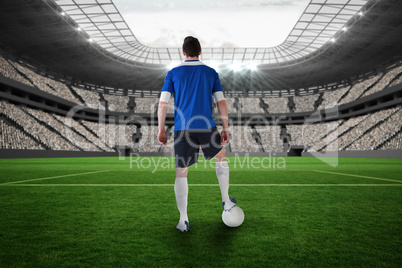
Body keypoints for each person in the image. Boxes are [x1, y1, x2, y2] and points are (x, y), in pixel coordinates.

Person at [158, 36, 237, 232]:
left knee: (181, 172)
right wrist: (225, 128)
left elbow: (163, 103)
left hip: (182, 128)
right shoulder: (211, 73)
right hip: (206, 125)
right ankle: (226, 201)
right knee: (221, 158)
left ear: (183, 53)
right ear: (200, 52)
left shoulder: (173, 73)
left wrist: (160, 129)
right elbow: (221, 102)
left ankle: (183, 219)